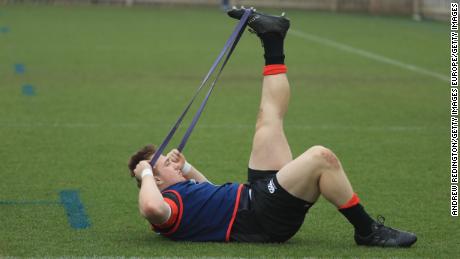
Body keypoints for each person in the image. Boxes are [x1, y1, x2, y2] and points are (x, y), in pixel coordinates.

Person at [128, 7, 417, 247]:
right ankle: (367, 230)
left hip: (256, 197)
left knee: (268, 121)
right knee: (321, 158)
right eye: (165, 164)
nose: (173, 163)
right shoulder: (167, 203)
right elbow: (152, 209)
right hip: (262, 216)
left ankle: (273, 39)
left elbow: (213, 194)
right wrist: (144, 173)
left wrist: (188, 169)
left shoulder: (183, 194)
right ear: (156, 179)